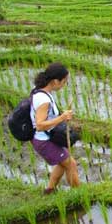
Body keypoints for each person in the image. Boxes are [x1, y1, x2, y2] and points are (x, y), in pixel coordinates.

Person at [31, 62, 79, 194]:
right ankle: (79, 194)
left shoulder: (39, 90)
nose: (64, 85)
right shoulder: (43, 100)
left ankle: (50, 190)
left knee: (62, 162)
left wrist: (58, 115)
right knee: (70, 164)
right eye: (64, 81)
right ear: (55, 81)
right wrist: (62, 117)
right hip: (43, 140)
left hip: (47, 137)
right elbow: (40, 125)